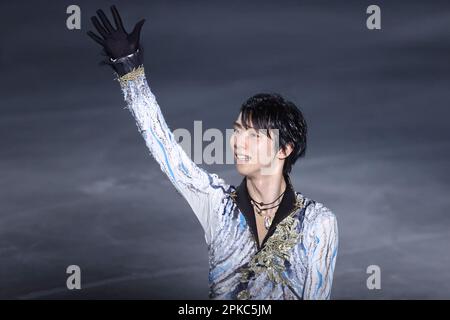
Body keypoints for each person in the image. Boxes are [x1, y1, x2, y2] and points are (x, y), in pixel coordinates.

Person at [87, 5, 338, 300]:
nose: (238, 142)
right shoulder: (216, 204)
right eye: (238, 130)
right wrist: (132, 75)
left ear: (284, 149)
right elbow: (165, 147)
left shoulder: (317, 222)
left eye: (254, 135)